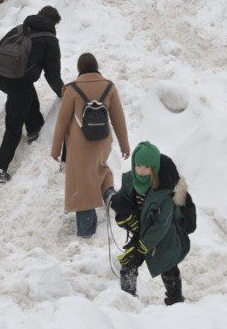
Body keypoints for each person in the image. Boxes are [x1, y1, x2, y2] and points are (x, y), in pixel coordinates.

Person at [50, 53, 130, 237]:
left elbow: (62, 122)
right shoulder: (109, 87)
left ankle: (86, 231)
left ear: (80, 69)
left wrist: (56, 150)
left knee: (82, 183)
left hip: (80, 144)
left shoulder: (72, 89)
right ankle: (109, 193)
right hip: (103, 140)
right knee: (100, 167)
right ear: (96, 66)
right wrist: (125, 145)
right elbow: (119, 119)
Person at [108, 141, 196, 305]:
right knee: (129, 263)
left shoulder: (165, 190)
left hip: (164, 234)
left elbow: (161, 224)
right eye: (138, 165)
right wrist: (123, 214)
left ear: (154, 168)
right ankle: (128, 301)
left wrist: (142, 246)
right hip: (143, 229)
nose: (141, 170)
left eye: (146, 167)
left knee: (167, 265)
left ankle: (175, 300)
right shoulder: (129, 180)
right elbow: (125, 203)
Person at [0, 6, 64, 184]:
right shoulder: (50, 41)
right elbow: (52, 75)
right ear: (53, 23)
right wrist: (62, 92)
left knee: (27, 94)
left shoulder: (20, 28)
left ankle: (35, 130)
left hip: (0, 75)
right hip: (17, 82)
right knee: (13, 126)